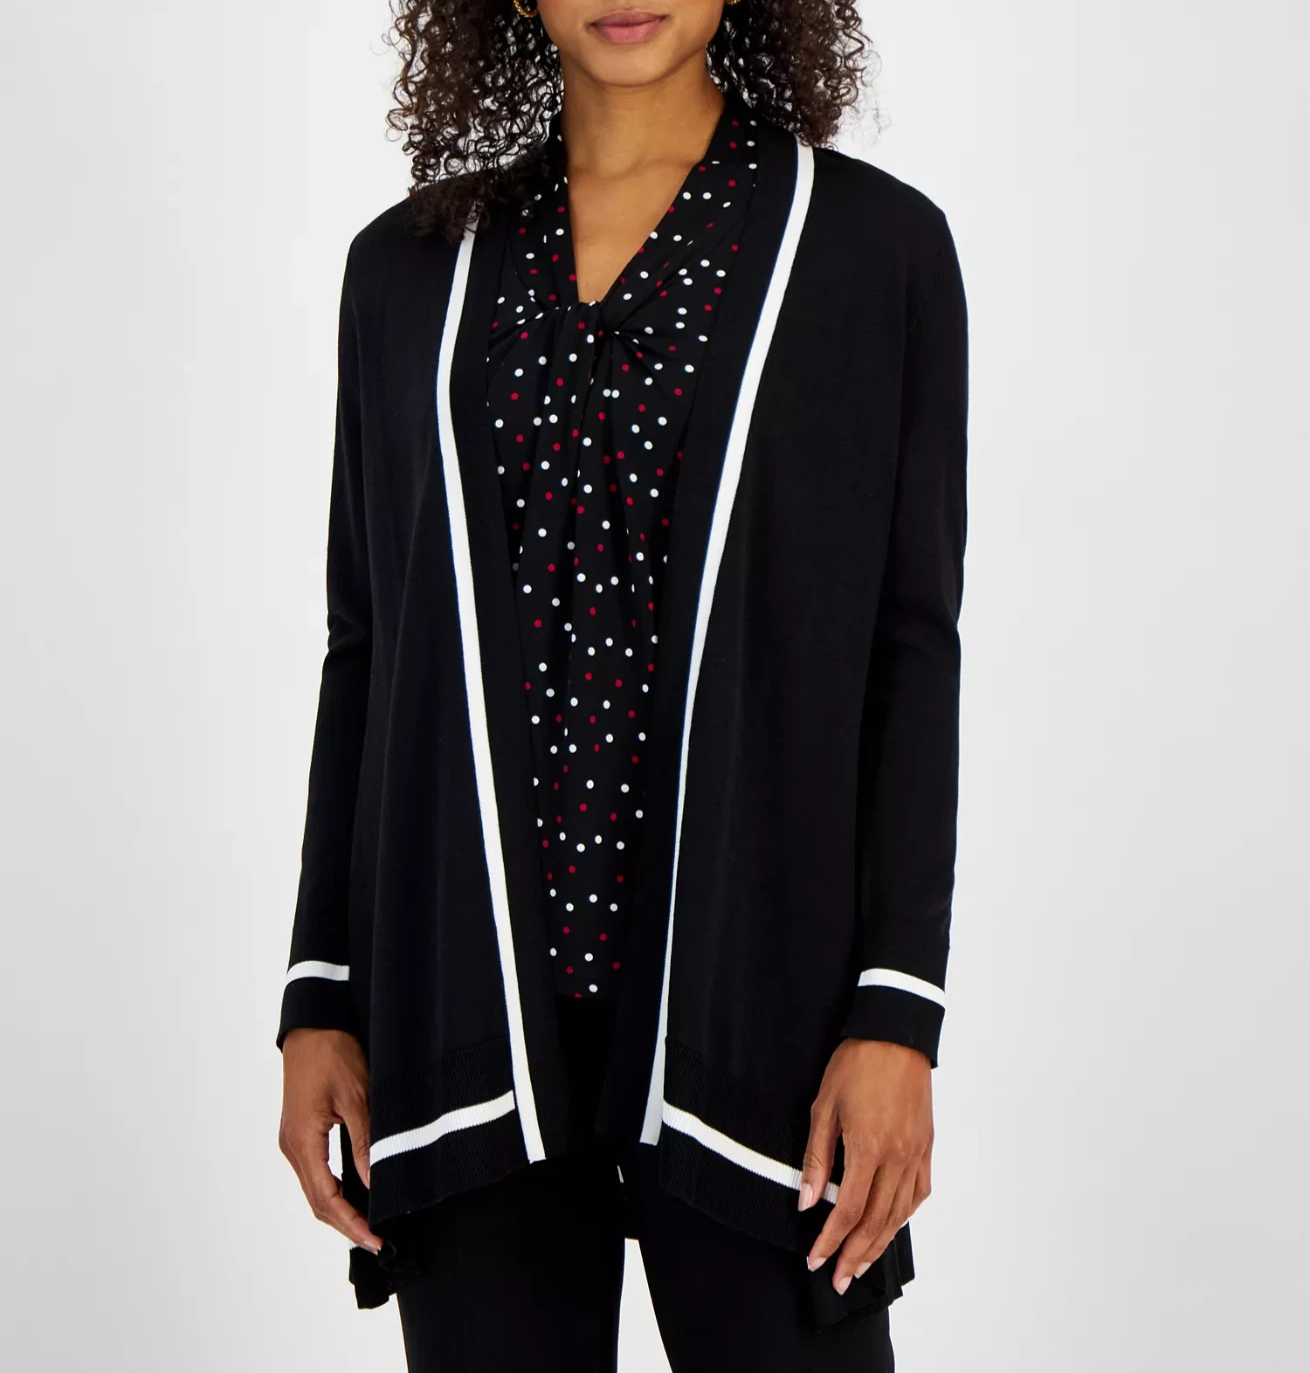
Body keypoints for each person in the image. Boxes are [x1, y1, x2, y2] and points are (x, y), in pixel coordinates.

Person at [276, 2, 969, 1369]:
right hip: (467, 1017)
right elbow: (367, 643)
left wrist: (898, 1014)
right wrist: (321, 993)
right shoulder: (407, 271)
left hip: (761, 1021)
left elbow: (911, 647)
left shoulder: (868, 251)